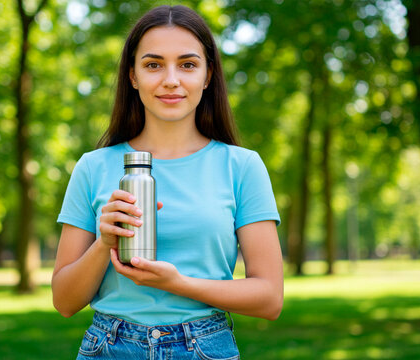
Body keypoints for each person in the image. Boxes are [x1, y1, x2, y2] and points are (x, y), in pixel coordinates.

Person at [52, 5, 283, 359]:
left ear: (208, 76)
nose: (171, 79)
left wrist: (177, 284)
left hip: (205, 348)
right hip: (109, 348)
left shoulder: (242, 166)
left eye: (188, 65)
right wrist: (103, 244)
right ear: (133, 76)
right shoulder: (93, 167)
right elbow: (65, 302)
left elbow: (269, 299)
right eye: (153, 64)